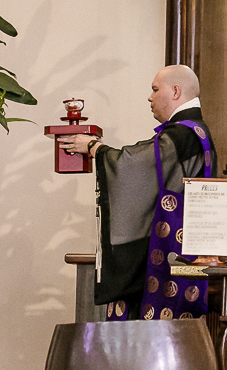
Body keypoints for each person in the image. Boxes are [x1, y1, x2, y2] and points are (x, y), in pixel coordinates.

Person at [59, 64, 215, 321]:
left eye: (155, 89)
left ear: (176, 91)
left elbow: (137, 164)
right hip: (187, 248)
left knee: (149, 337)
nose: (150, 97)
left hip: (169, 253)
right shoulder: (195, 131)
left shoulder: (184, 133)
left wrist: (95, 148)